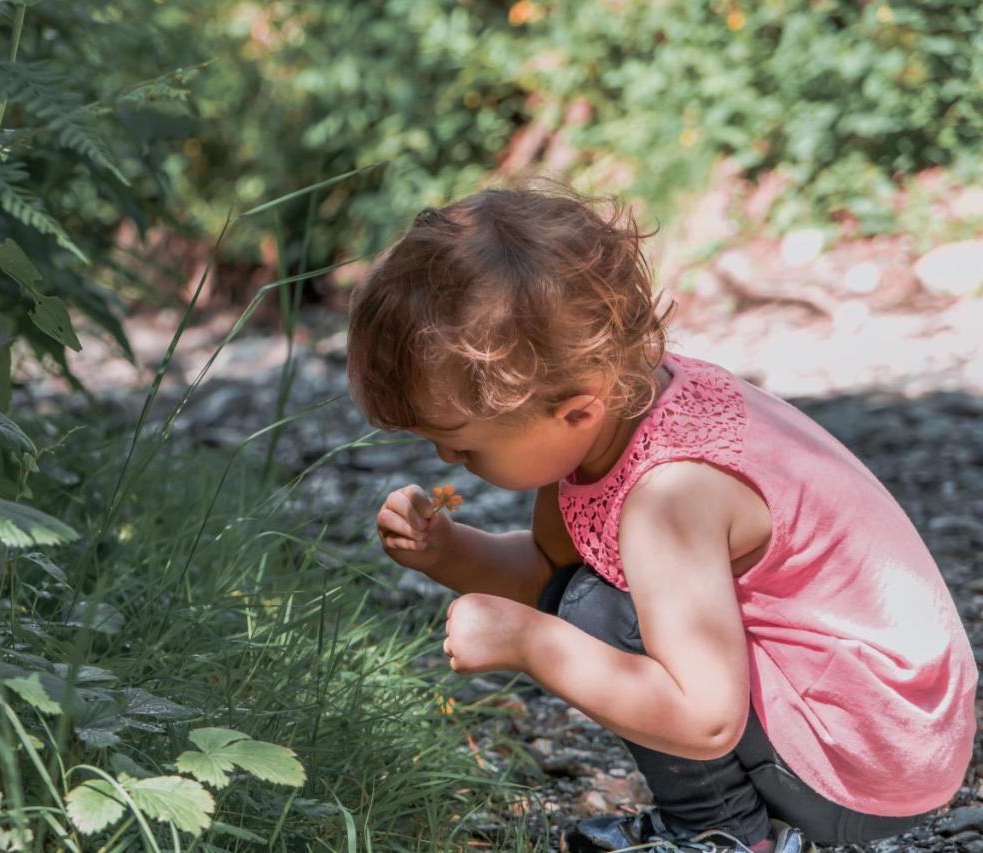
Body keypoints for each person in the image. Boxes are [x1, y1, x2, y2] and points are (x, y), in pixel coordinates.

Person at [345, 183, 978, 853]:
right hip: (890, 726)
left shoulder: (666, 499)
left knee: (592, 613)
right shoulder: (619, 403)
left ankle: (720, 835)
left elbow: (702, 719)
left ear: (577, 408)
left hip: (864, 765)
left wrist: (531, 643)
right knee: (586, 596)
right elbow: (549, 571)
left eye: (464, 442)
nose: (447, 457)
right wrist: (447, 552)